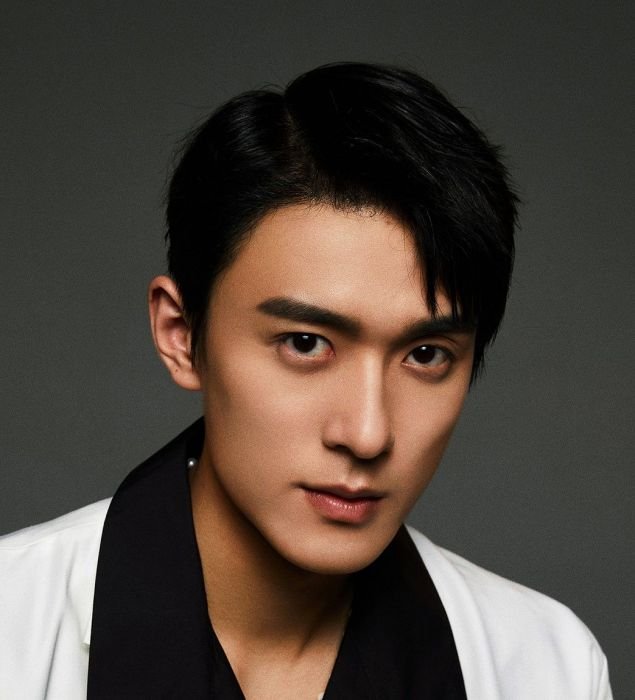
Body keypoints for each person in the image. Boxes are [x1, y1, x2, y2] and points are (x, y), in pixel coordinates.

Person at [0, 62, 612, 699]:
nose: (367, 434)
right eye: (305, 343)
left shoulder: (549, 669)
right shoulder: (13, 626)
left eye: (426, 355)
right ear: (181, 335)